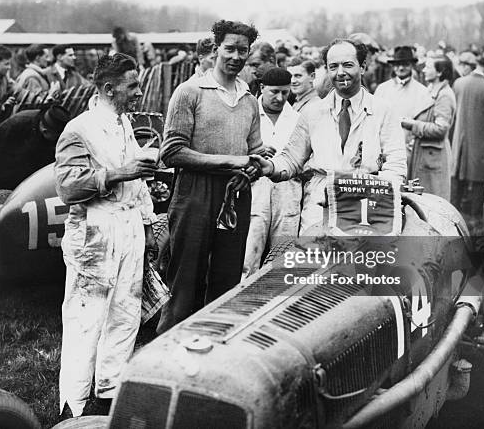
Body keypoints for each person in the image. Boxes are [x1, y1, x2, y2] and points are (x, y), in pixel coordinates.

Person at [55, 53, 158, 418]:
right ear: (109, 88)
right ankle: (74, 407)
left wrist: (148, 225)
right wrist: (118, 173)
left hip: (129, 228)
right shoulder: (79, 128)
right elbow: (67, 187)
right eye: (132, 86)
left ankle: (110, 392)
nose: (139, 92)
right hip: (95, 230)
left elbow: (138, 180)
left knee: (126, 312)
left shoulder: (123, 123)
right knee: (87, 317)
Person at [157, 19, 262, 334]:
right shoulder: (190, 92)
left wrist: (250, 171)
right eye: (229, 48)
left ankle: (212, 350)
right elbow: (172, 151)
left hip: (235, 195)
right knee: (185, 280)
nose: (235, 56)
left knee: (226, 280)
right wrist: (230, 162)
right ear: (216, 49)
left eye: (242, 50)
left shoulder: (249, 100)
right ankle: (167, 348)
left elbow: (255, 152)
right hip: (195, 193)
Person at [251, 39, 407, 234]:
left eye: (348, 65)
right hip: (319, 205)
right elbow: (292, 158)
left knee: (360, 262)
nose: (340, 72)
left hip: (367, 206)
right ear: (326, 70)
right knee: (316, 261)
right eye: (333, 66)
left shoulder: (384, 111)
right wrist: (271, 167)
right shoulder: (313, 112)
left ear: (363, 67)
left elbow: (396, 165)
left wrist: (366, 190)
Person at [243, 67, 301, 277]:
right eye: (274, 92)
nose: (279, 98)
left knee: (284, 259)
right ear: (262, 88)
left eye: (285, 93)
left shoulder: (297, 119)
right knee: (248, 257)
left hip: (288, 193)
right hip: (255, 190)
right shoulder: (247, 113)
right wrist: (252, 153)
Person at [451, 51, 484, 229]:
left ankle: (453, 218)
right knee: (481, 181)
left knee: (457, 180)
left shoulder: (459, 83)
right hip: (483, 145)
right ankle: (476, 221)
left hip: (459, 141)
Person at [0, 104, 70, 190]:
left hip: (25, 182)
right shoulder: (19, 123)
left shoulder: (57, 138)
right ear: (45, 131)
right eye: (56, 136)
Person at [403, 56, 456, 200]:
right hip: (425, 156)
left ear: (439, 72)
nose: (424, 70)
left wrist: (412, 125)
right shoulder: (432, 90)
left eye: (428, 67)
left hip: (433, 159)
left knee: (432, 202)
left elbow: (441, 129)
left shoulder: (444, 95)